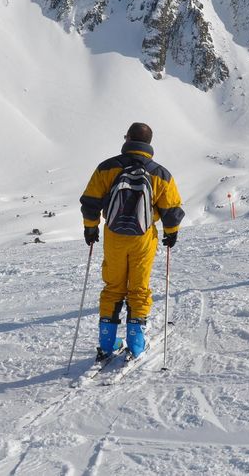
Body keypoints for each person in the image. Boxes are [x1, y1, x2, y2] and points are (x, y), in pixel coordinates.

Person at [80, 122, 184, 359]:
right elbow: (171, 208)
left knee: (113, 286)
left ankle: (107, 344)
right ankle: (136, 345)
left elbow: (90, 201)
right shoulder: (160, 173)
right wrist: (171, 232)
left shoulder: (107, 168)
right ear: (149, 144)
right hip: (143, 237)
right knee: (138, 287)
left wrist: (90, 228)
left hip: (114, 235)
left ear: (127, 139)